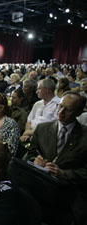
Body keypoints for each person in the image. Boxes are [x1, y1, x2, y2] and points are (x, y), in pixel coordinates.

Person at [26, 91, 87, 225]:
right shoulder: (42, 128)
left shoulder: (84, 136)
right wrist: (35, 160)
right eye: (60, 106)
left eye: (68, 110)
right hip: (40, 184)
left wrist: (65, 174)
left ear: (78, 113)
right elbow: (30, 155)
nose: (60, 112)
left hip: (70, 191)